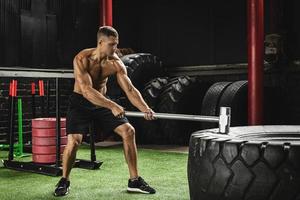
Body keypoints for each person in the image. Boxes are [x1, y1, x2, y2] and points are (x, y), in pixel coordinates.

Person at [54, 26, 156, 197]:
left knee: (128, 131)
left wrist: (145, 107)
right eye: (111, 44)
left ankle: (134, 180)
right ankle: (64, 180)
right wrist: (112, 106)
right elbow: (86, 90)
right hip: (80, 102)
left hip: (102, 102)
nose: (115, 49)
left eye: (116, 44)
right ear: (100, 42)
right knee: (74, 141)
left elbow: (130, 89)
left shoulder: (116, 63)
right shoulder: (82, 58)